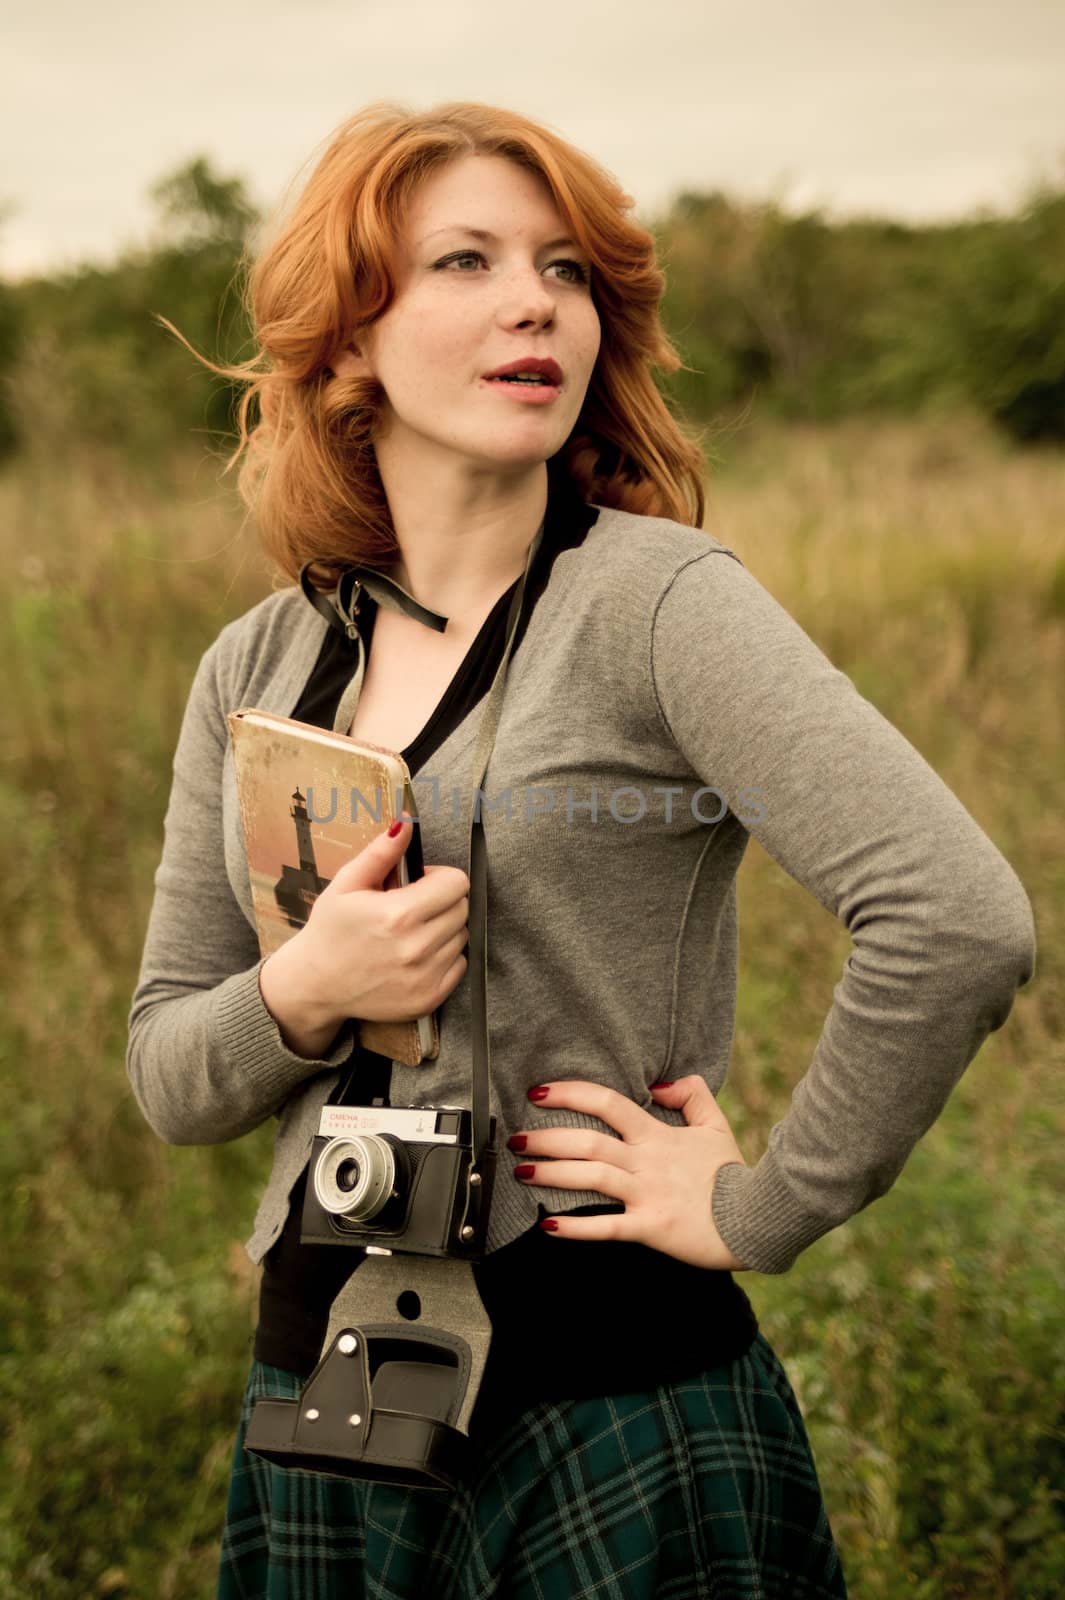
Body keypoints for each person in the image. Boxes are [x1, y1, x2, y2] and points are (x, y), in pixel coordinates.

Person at [126, 99, 1036, 1600]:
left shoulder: (660, 604)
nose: (532, 303)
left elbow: (954, 918)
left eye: (562, 269)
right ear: (347, 342)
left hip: (609, 1399)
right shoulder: (258, 662)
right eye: (463, 263)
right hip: (324, 1396)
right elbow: (170, 1072)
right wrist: (305, 991)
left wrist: (763, 1205)